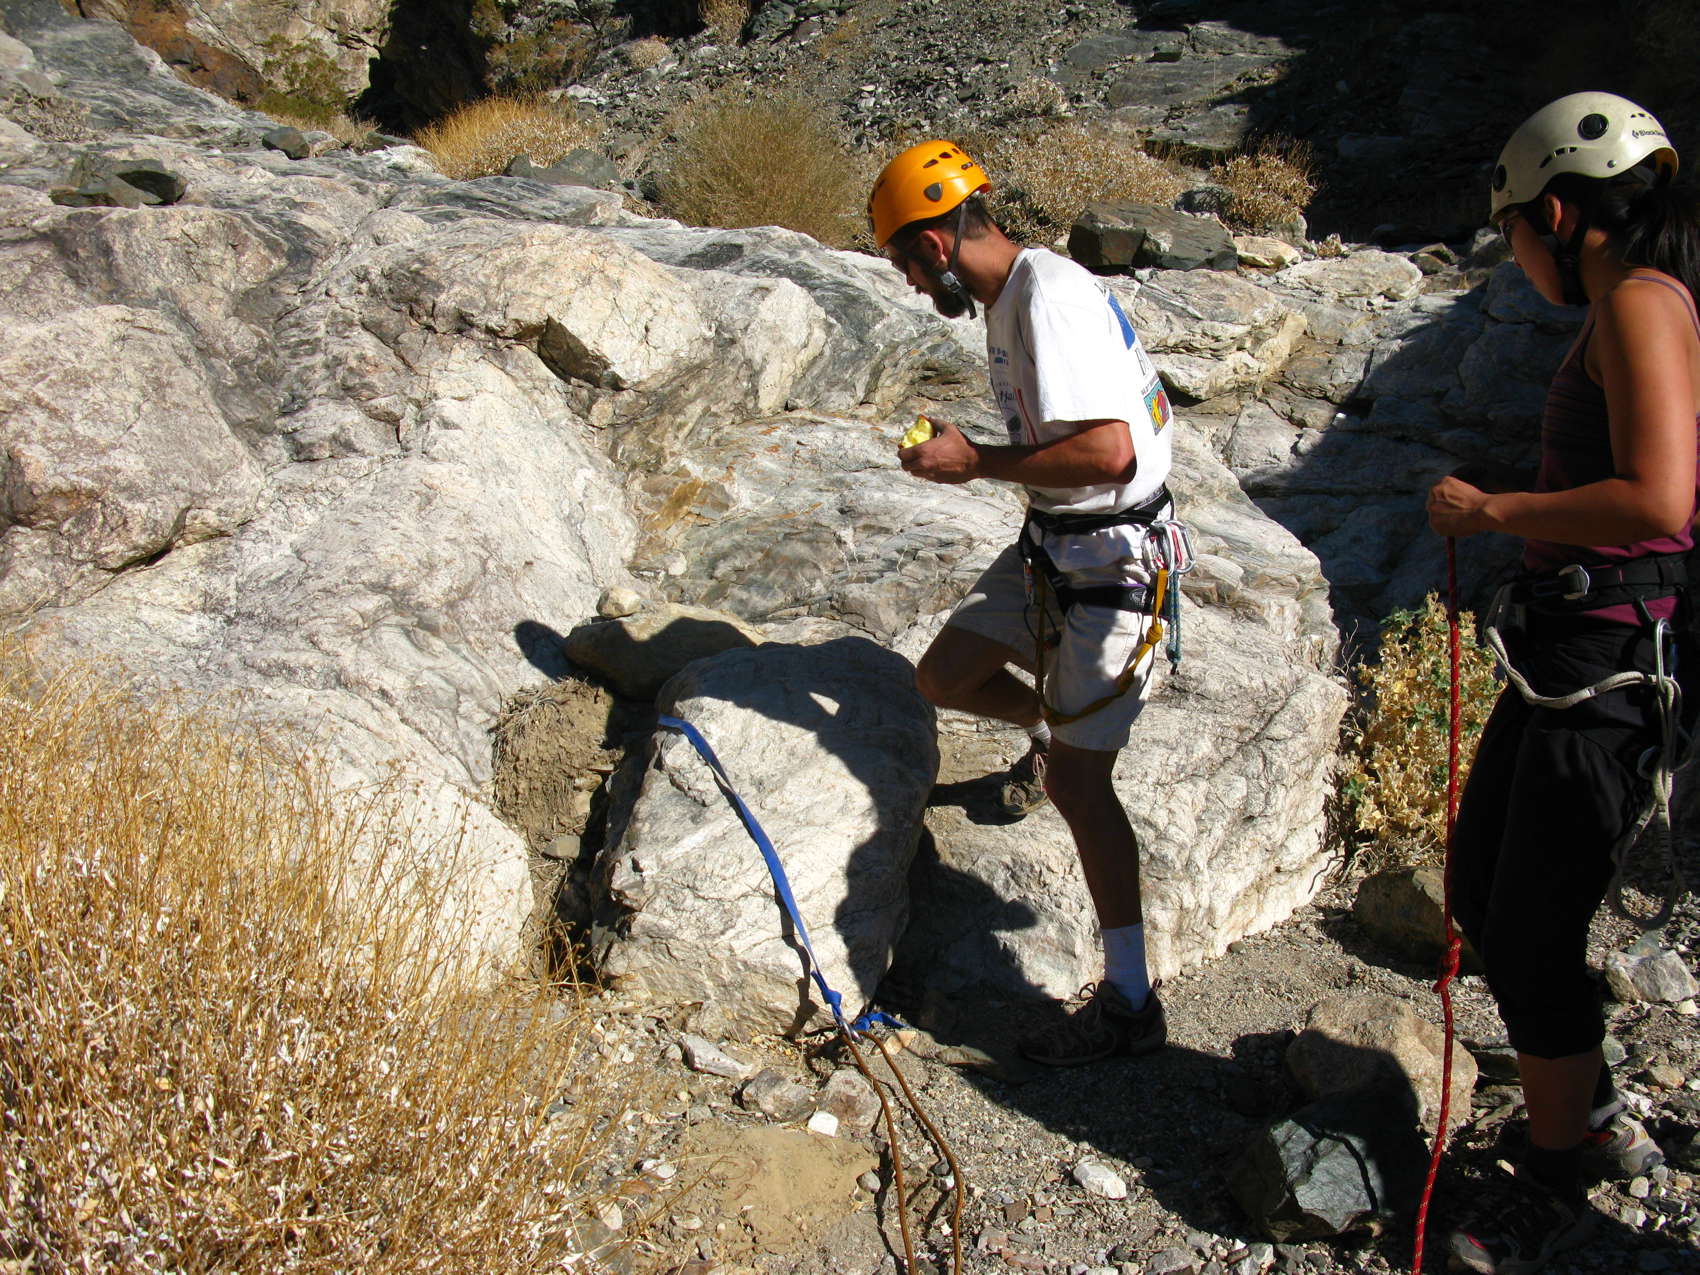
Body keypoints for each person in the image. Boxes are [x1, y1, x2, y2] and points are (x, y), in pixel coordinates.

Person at [1427, 91, 1700, 1274]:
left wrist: (1494, 512)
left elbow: (1656, 498)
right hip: (1567, 649)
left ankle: (1556, 1174)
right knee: (1483, 894)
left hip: (1605, 663)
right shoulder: (1631, 302)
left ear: (1553, 213)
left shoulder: (1637, 302)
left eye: (1511, 233)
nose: (1514, 255)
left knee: (1530, 929)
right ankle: (1579, 1109)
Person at [868, 140, 1185, 1065]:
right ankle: (1049, 724)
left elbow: (1111, 453)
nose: (912, 283)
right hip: (1055, 540)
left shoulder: (1047, 296)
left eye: (905, 263)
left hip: (1114, 555)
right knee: (944, 675)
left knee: (1078, 787)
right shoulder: (1014, 297)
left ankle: (1131, 1000)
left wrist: (976, 462)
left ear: (934, 245)